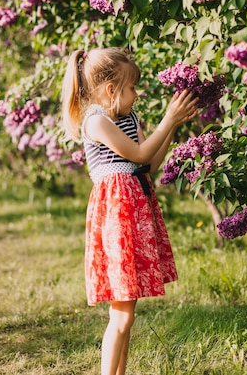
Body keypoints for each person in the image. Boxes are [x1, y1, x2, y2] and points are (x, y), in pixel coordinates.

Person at [61, 47, 199, 375]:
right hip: (117, 215)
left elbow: (148, 163)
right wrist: (168, 119)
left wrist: (172, 126)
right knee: (121, 315)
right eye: (133, 88)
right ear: (111, 90)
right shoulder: (96, 121)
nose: (136, 95)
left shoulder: (128, 119)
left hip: (134, 208)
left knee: (127, 314)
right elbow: (137, 154)